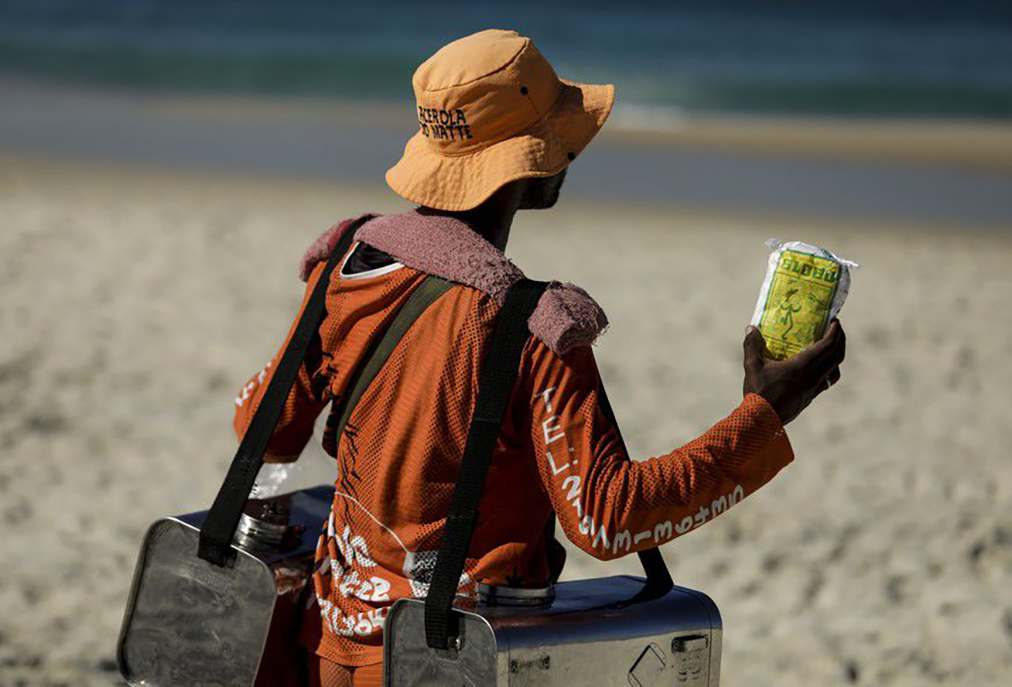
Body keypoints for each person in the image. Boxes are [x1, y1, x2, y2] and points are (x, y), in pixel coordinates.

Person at [233, 29, 845, 687]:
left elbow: (259, 424)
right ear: (529, 162)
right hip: (452, 661)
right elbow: (606, 520)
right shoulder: (531, 327)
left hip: (327, 648)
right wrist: (763, 415)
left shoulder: (345, 264)